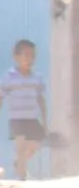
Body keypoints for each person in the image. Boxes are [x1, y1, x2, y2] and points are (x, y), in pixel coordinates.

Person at [1, 40, 48, 180]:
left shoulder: (36, 78)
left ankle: (19, 162)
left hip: (32, 117)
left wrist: (45, 120)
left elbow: (41, 99)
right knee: (20, 147)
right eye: (26, 55)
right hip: (17, 119)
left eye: (32, 56)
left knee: (36, 144)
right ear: (16, 57)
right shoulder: (9, 77)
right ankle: (22, 179)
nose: (29, 59)